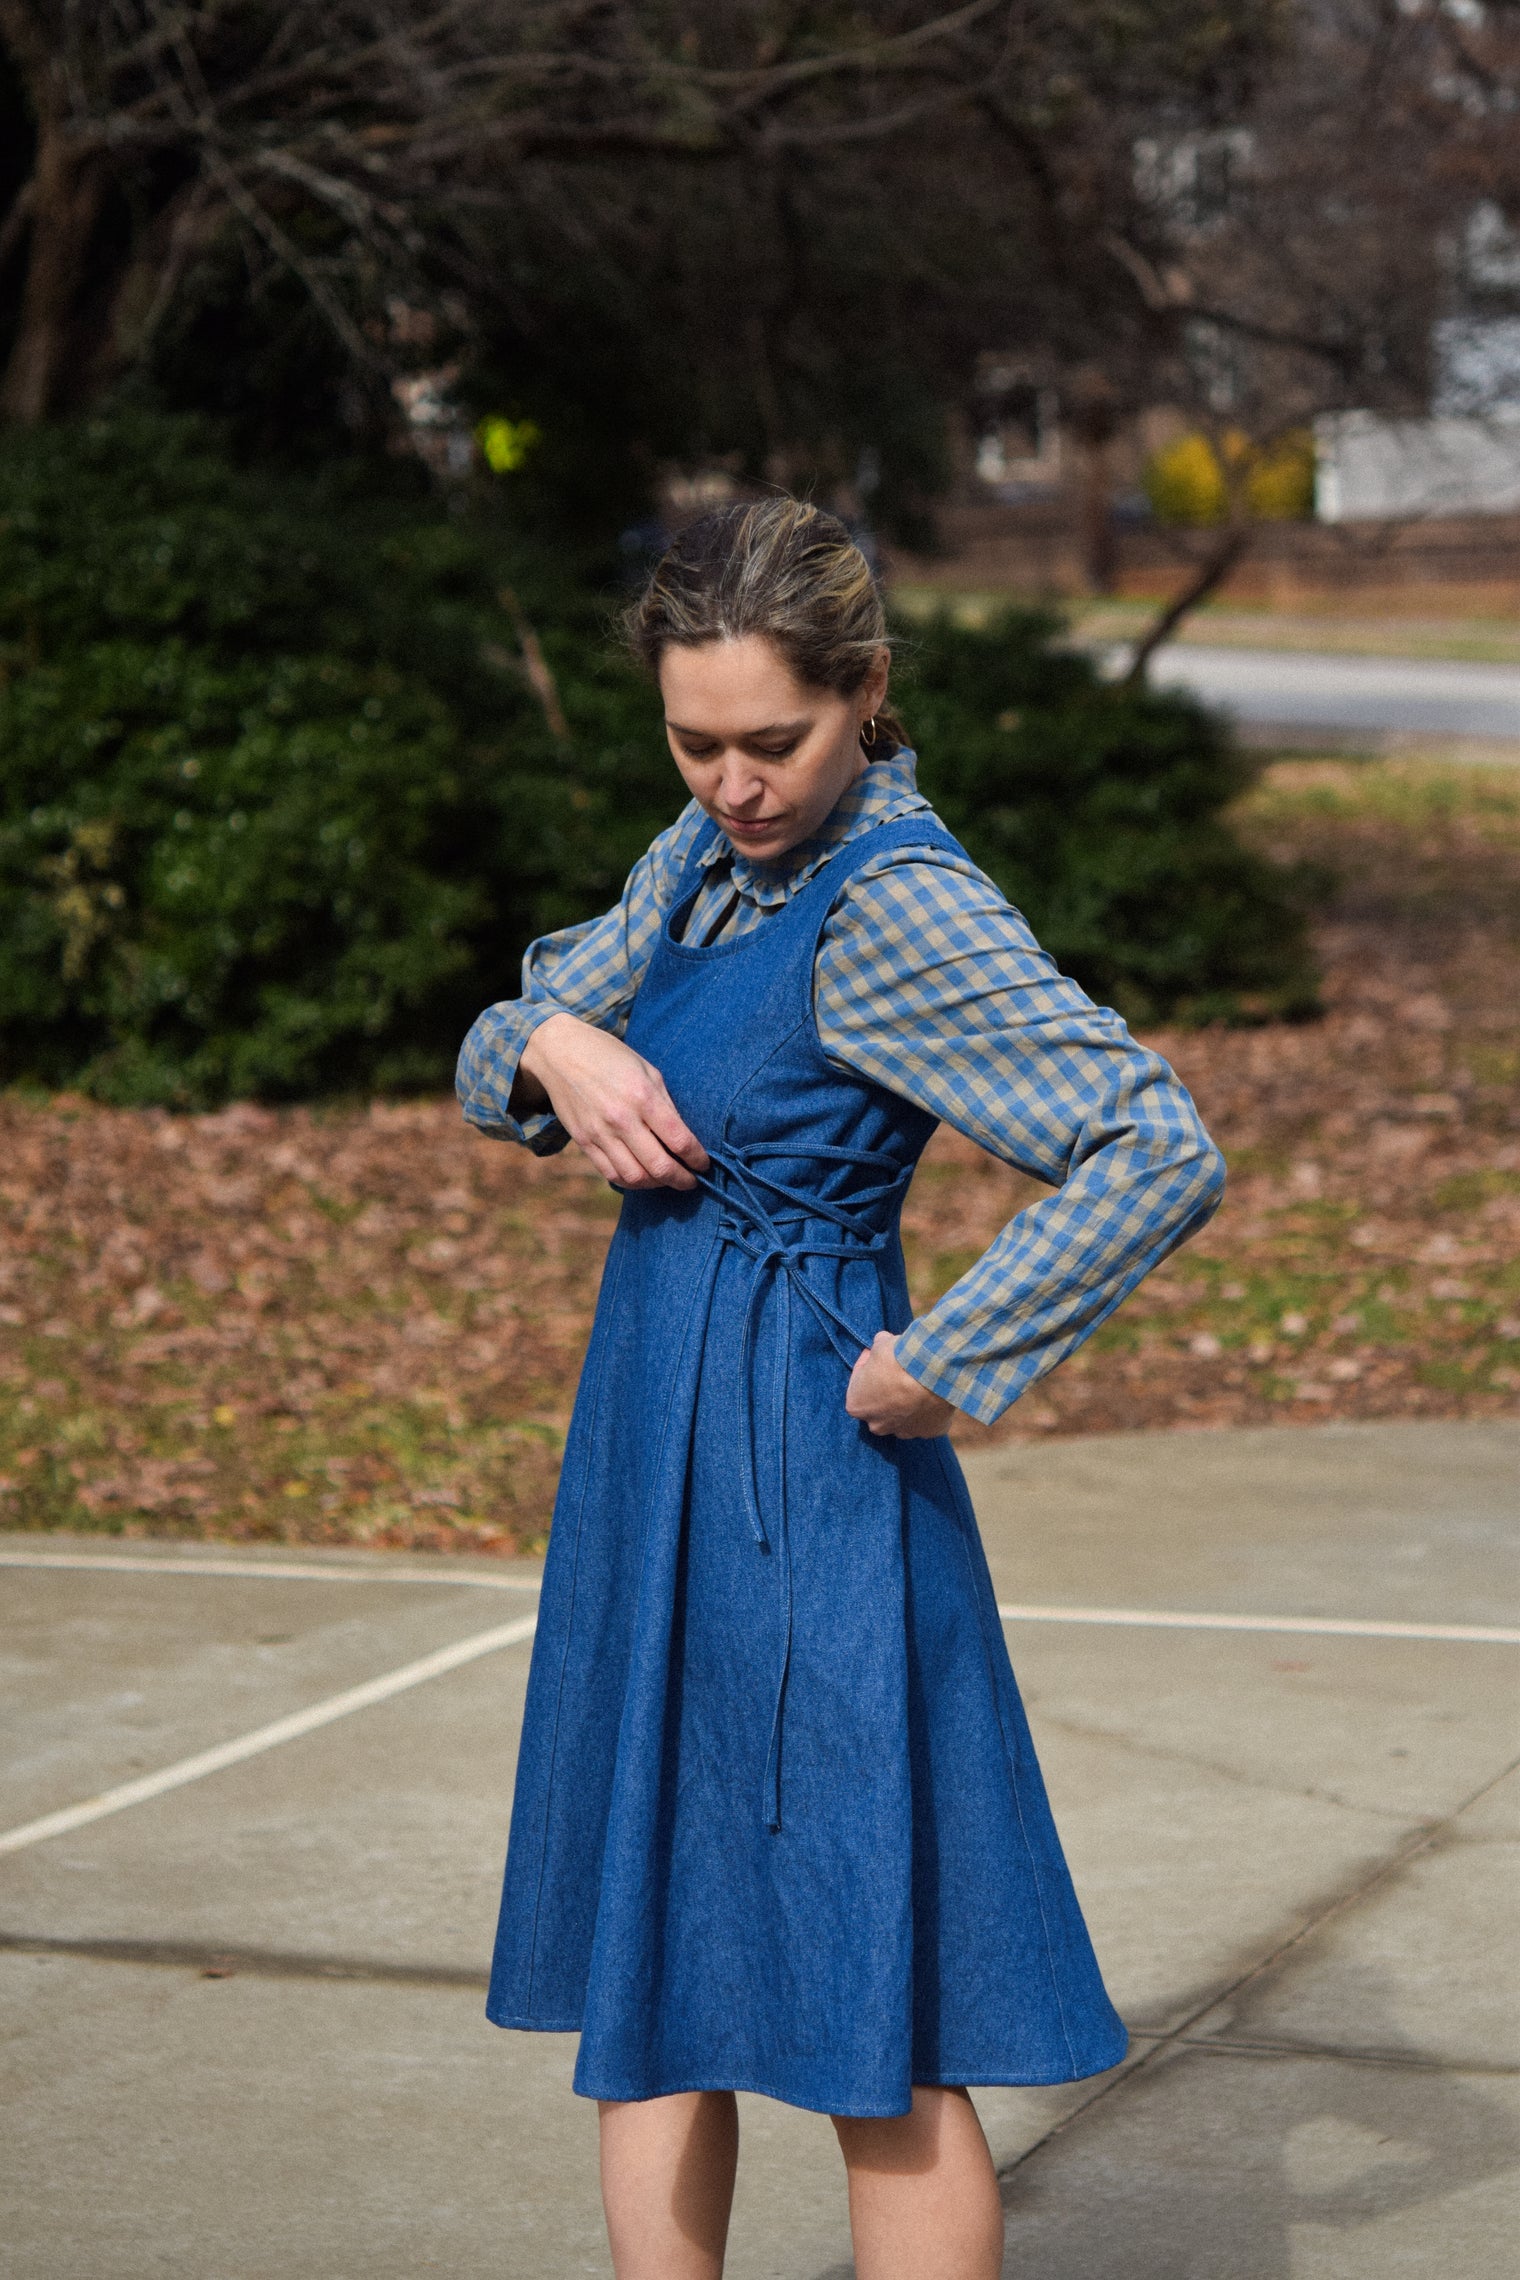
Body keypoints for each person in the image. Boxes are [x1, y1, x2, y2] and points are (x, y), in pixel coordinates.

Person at [456, 499, 1226, 2280]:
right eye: (692, 739)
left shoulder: (897, 906)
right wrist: (551, 1038)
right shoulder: (710, 857)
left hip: (796, 1479)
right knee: (652, 1959)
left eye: (771, 742)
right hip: (647, 1445)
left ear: (864, 694)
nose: (729, 780)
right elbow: (524, 1029)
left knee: (865, 1984)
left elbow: (1149, 1142)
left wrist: (953, 1360)